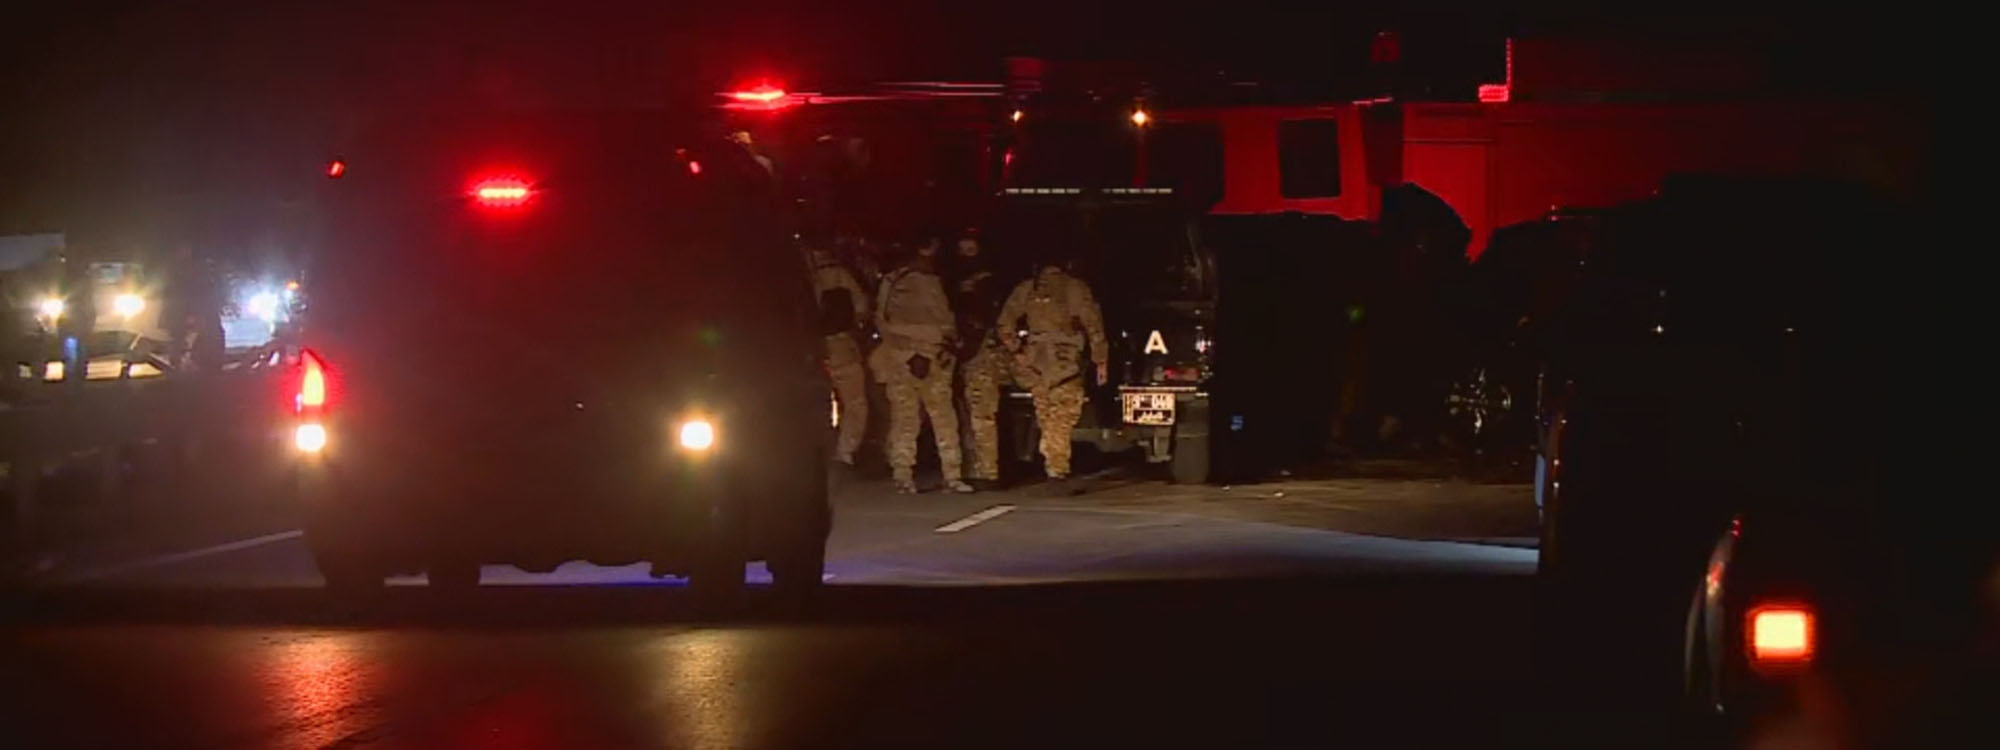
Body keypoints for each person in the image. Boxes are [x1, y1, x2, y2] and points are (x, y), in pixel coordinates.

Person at [869, 238, 973, 494]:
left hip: (913, 357)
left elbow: (882, 322)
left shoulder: (895, 281)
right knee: (934, 419)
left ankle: (910, 476)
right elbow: (945, 322)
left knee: (912, 418)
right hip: (924, 357)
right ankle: (942, 475)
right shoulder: (926, 281)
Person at [996, 251, 1108, 480]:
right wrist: (1101, 360)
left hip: (1035, 360)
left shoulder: (1027, 289)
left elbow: (1004, 323)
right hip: (1065, 360)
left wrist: (1017, 350)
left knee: (1046, 411)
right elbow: (1094, 326)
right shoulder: (1075, 288)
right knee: (1063, 414)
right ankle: (1056, 465)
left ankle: (1052, 459)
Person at [947, 229, 1010, 487]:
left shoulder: (987, 283)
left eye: (971, 250)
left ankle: (987, 471)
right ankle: (976, 468)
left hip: (981, 353)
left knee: (981, 413)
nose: (967, 256)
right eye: (963, 251)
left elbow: (985, 319)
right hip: (963, 353)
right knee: (968, 414)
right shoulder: (954, 284)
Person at [806, 243, 872, 466]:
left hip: (806, 349)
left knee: (816, 402)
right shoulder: (839, 275)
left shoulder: (796, 277)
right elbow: (861, 307)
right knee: (855, 403)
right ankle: (845, 451)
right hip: (842, 345)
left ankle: (817, 451)